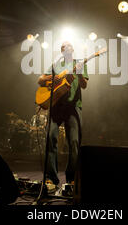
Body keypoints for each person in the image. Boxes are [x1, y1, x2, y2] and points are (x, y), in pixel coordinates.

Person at [37, 41, 89, 188]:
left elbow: (84, 85)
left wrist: (78, 74)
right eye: (64, 47)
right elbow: (40, 80)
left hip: (73, 108)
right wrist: (54, 78)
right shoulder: (55, 65)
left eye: (69, 46)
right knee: (50, 138)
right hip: (56, 107)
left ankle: (72, 179)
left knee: (73, 142)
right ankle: (51, 178)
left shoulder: (80, 64)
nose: (67, 48)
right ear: (61, 50)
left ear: (72, 49)